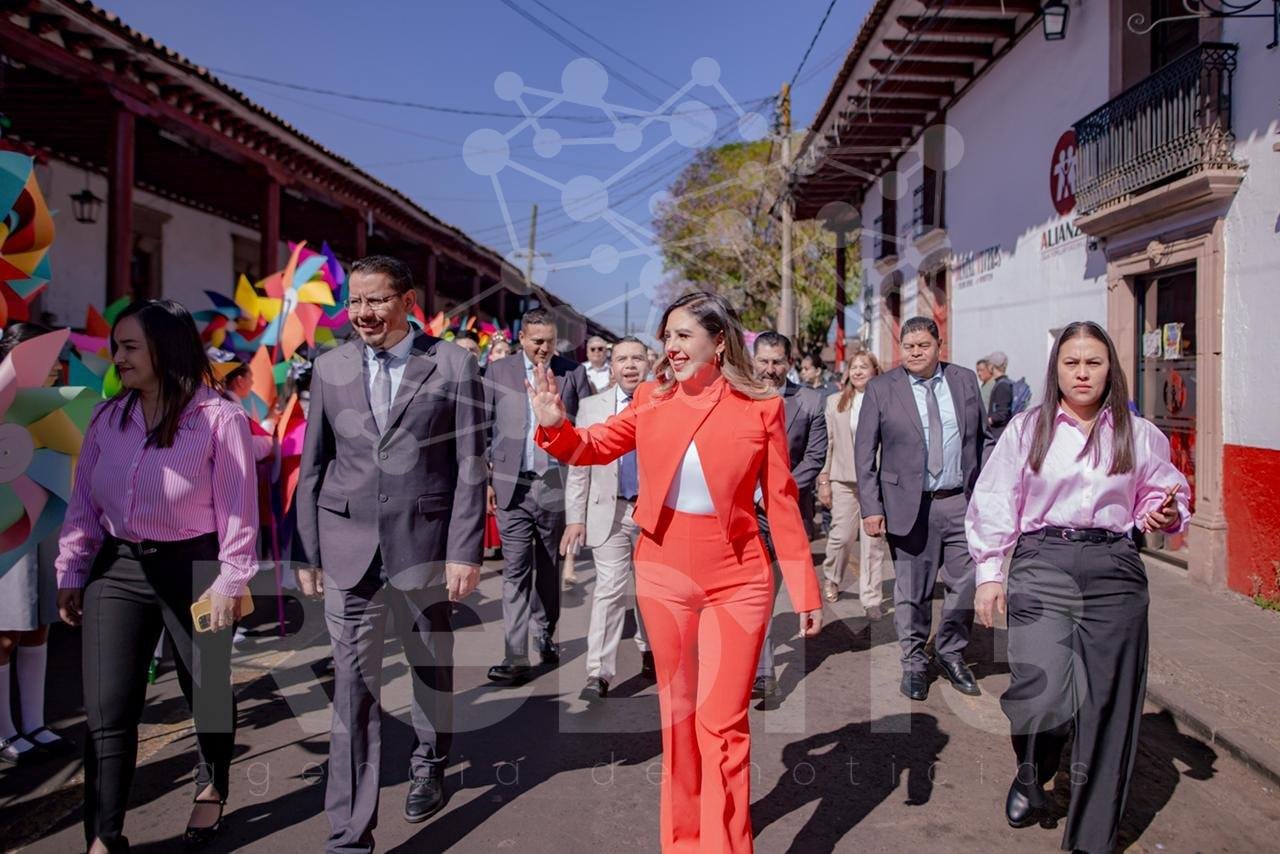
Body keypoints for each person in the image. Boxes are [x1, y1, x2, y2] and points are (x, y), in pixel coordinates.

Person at [530, 291, 822, 852]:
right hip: (662, 571)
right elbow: (593, 446)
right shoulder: (650, 398)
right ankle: (685, 842)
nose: (671, 346)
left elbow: (781, 500)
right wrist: (555, 427)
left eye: (683, 335)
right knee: (679, 720)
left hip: (738, 577)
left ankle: (726, 845)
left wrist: (805, 589)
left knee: (724, 724)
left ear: (718, 341)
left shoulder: (761, 405)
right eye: (667, 335)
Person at [967, 321, 1189, 853]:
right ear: (1057, 370)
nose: (1083, 372)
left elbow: (1165, 494)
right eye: (1072, 363)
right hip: (1044, 560)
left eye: (1093, 362)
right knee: (1041, 692)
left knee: (1109, 707)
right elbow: (997, 500)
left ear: (1110, 367)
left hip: (1115, 569)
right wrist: (990, 575)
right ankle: (1032, 770)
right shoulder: (1027, 429)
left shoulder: (1138, 434)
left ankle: (1091, 840)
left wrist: (1164, 512)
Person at [54, 300, 258, 852]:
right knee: (108, 709)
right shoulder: (106, 418)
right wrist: (72, 568)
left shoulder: (220, 418)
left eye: (128, 347)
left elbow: (239, 513)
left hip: (196, 566)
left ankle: (212, 784)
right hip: (117, 569)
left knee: (207, 692)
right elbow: (82, 506)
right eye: (116, 347)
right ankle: (103, 836)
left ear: (165, 350)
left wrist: (230, 583)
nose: (116, 358)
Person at [296, 256, 485, 850]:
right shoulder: (330, 365)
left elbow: (470, 464)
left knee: (428, 664)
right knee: (352, 689)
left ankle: (429, 760)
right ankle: (349, 834)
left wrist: (464, 550)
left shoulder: (452, 362)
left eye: (376, 301)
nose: (363, 313)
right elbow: (313, 466)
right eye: (355, 302)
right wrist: (309, 553)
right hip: (347, 545)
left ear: (407, 301)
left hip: (424, 546)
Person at [854, 316, 988, 702]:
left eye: (922, 346)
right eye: (907, 346)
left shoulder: (963, 380)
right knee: (913, 591)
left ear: (938, 345)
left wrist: (986, 491)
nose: (914, 352)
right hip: (907, 506)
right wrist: (871, 507)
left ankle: (949, 653)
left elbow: (982, 438)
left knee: (965, 584)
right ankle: (914, 662)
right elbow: (866, 454)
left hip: (959, 502)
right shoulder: (882, 388)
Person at [484, 308, 591, 685]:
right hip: (512, 484)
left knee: (547, 567)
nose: (544, 349)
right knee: (515, 569)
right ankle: (515, 654)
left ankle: (544, 630)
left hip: (554, 487)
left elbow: (588, 429)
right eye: (536, 342)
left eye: (549, 341)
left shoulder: (573, 373)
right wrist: (486, 478)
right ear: (523, 339)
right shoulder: (498, 373)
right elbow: (484, 427)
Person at [561, 337, 655, 702]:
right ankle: (598, 672)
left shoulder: (663, 403)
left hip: (652, 511)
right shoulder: (591, 406)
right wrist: (575, 517)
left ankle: (650, 649)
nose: (630, 365)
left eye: (637, 358)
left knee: (651, 588)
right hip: (609, 510)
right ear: (611, 367)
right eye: (622, 360)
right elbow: (579, 464)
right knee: (610, 589)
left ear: (648, 364)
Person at [0, 323, 74, 767]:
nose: (56, 365)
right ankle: (4, 730)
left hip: (43, 520)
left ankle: (35, 721)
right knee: (5, 631)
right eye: (47, 356)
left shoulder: (53, 408)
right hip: (6, 523)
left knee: (39, 620)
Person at [749, 331, 826, 700]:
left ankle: (758, 668)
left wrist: (777, 492)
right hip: (742, 513)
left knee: (767, 593)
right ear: (753, 360)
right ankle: (756, 668)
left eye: (777, 361)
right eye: (763, 361)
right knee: (750, 593)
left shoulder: (810, 401)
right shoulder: (737, 396)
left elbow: (814, 457)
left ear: (789, 362)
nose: (769, 369)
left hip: (785, 513)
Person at [816, 351, 890, 615]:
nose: (858, 371)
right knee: (841, 536)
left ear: (874, 371)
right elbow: (828, 444)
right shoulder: (835, 402)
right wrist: (823, 479)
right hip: (842, 479)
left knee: (873, 542)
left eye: (864, 367)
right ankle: (832, 578)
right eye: (854, 367)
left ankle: (871, 598)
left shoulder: (884, 401)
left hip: (875, 481)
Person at [986, 350, 1013, 446]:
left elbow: (1002, 413)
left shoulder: (1002, 386)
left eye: (988, 364)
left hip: (999, 435)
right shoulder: (1003, 383)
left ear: (992, 366)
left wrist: (987, 421)